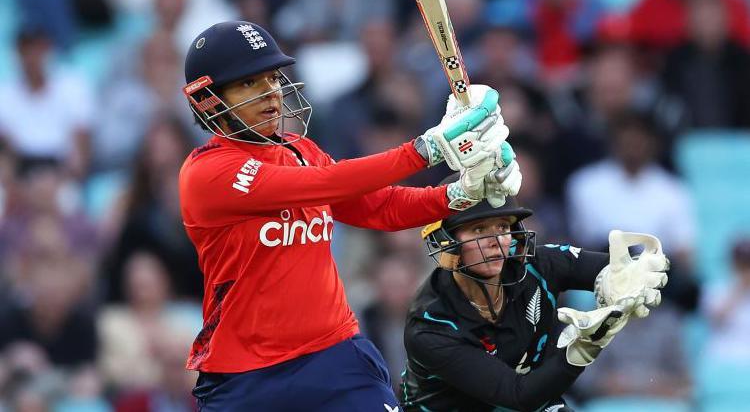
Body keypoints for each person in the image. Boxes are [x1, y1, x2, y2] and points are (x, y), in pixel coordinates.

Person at [178, 21, 522, 411]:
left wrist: (459, 195)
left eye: (272, 78)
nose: (271, 93)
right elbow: (327, 184)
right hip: (246, 376)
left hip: (334, 357)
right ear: (209, 100)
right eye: (248, 84)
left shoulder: (299, 150)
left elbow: (379, 206)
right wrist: (424, 150)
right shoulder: (207, 173)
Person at [401, 179, 670, 412]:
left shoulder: (538, 265)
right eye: (479, 229)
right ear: (446, 239)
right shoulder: (430, 327)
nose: (496, 240)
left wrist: (629, 274)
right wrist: (582, 349)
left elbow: (615, 268)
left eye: (503, 227)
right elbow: (519, 396)